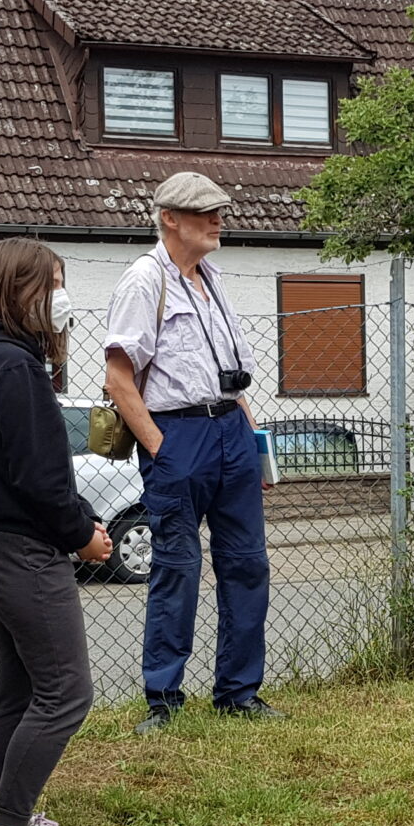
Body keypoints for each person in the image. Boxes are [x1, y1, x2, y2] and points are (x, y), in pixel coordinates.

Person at [0, 238, 113, 826]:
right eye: (53, 282)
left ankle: (17, 816)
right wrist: (83, 535)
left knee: (19, 690)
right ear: (20, 289)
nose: (61, 297)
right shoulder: (13, 367)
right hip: (23, 546)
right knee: (66, 691)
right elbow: (40, 477)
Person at [103, 172, 277, 735]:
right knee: (177, 568)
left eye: (219, 210)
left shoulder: (213, 278)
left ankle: (239, 692)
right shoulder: (143, 282)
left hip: (230, 430)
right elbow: (118, 380)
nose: (217, 219)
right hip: (178, 436)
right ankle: (163, 700)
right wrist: (162, 450)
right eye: (204, 212)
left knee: (247, 564)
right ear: (169, 218)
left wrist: (255, 444)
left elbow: (231, 379)